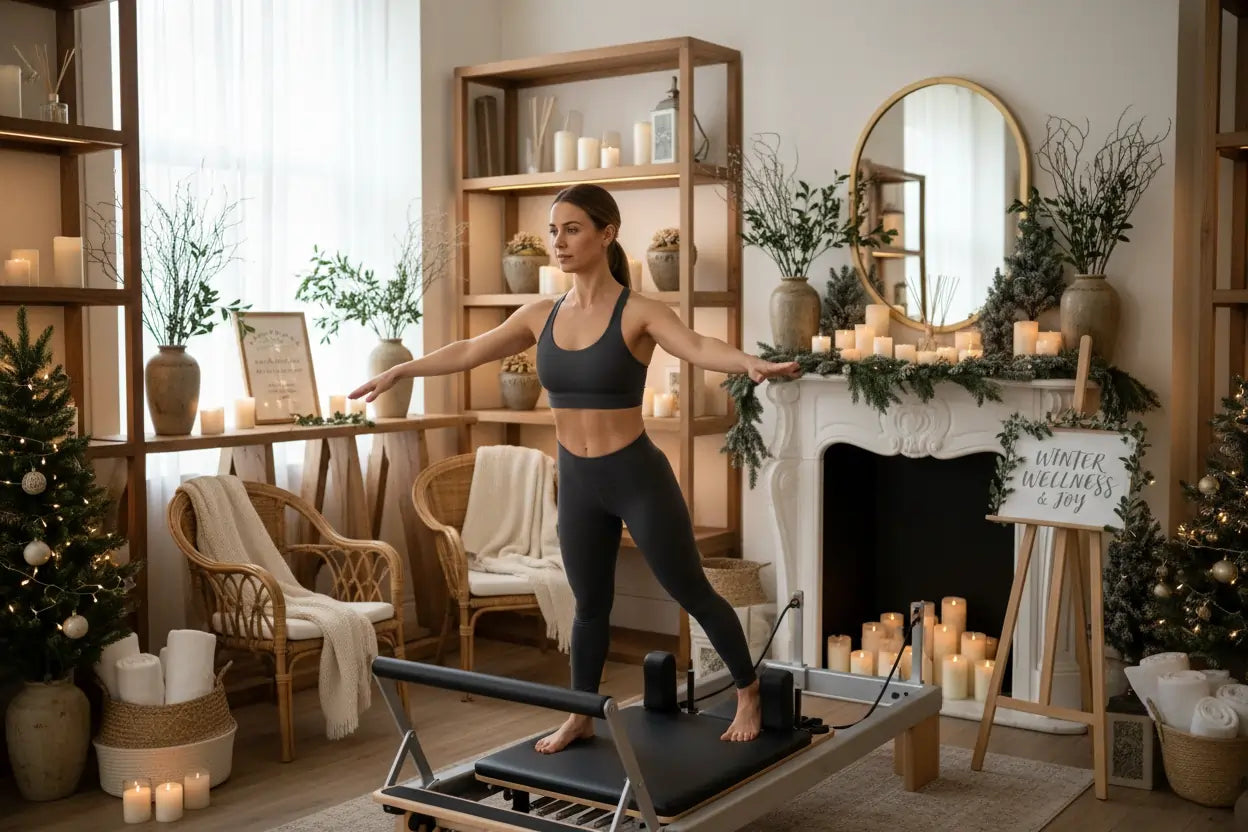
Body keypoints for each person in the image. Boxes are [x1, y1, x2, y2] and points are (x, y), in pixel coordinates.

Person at [350, 183, 800, 753]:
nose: (558, 242)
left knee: (691, 589)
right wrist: (403, 371)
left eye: (572, 229)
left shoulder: (640, 312)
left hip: (636, 477)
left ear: (606, 234)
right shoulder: (541, 313)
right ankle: (582, 712)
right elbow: (469, 348)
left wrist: (747, 363)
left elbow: (697, 345)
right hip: (579, 482)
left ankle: (748, 689)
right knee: (590, 605)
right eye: (553, 230)